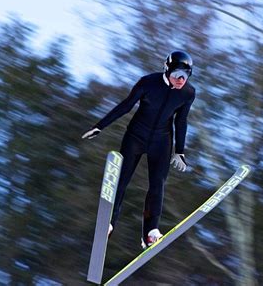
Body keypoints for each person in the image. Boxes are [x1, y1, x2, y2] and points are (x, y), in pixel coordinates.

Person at [82, 50, 195, 248]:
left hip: (162, 141)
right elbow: (126, 106)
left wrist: (180, 150)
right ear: (167, 69)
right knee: (121, 180)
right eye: (178, 75)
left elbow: (182, 121)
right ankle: (109, 224)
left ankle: (150, 233)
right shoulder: (148, 83)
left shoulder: (188, 93)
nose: (181, 80)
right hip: (136, 137)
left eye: (185, 76)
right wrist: (99, 126)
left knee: (157, 184)